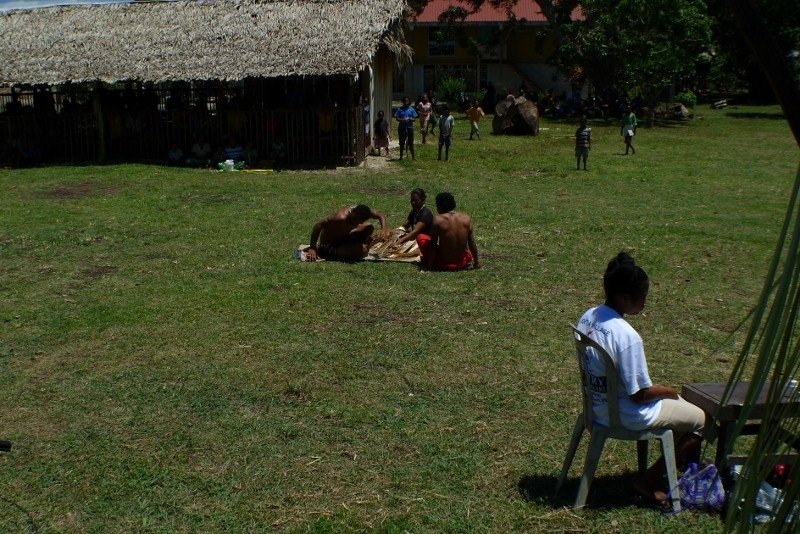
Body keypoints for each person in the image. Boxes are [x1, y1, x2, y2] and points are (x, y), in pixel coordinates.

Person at [576, 252, 708, 505]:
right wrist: (668, 391)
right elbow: (639, 395)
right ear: (626, 298)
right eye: (643, 297)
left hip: (597, 406)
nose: (645, 302)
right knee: (702, 421)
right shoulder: (627, 336)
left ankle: (679, 469)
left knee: (682, 409)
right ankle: (649, 481)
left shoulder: (589, 315)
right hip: (626, 414)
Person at [418, 192, 480, 271]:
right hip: (462, 262)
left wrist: (429, 266)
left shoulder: (438, 220)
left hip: (443, 264)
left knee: (421, 238)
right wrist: (476, 263)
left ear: (439, 206)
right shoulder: (466, 218)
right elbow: (471, 242)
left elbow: (432, 245)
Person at [306, 205, 390, 262]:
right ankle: (331, 252)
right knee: (364, 250)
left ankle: (351, 246)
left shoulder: (360, 211)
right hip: (329, 245)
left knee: (369, 227)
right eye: (355, 220)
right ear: (354, 212)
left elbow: (380, 215)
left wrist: (384, 229)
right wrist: (312, 247)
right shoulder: (340, 217)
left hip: (343, 237)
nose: (356, 223)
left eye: (359, 222)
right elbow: (318, 225)